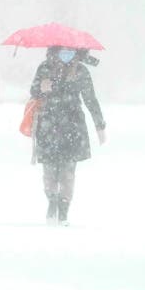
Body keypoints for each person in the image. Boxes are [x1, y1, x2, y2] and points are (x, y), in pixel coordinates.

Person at [30, 46, 106, 226]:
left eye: (70, 51)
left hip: (73, 126)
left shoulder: (80, 70)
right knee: (49, 169)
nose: (66, 54)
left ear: (76, 52)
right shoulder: (45, 68)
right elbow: (33, 92)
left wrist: (100, 125)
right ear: (55, 51)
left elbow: (90, 99)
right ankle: (52, 201)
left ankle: (63, 209)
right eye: (63, 51)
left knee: (68, 171)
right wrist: (41, 88)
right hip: (49, 125)